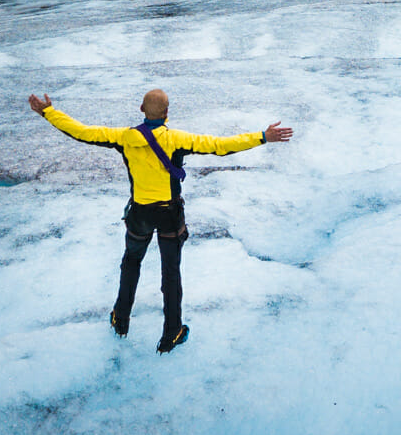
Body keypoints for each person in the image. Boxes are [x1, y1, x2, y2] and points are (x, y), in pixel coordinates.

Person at [27, 88, 292, 353]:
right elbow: (220, 146)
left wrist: (49, 112)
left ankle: (120, 320)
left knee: (131, 263)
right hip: (169, 215)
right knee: (171, 274)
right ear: (167, 113)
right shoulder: (176, 139)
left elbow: (82, 131)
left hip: (139, 214)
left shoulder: (124, 138)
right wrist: (262, 137)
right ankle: (171, 334)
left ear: (141, 109)